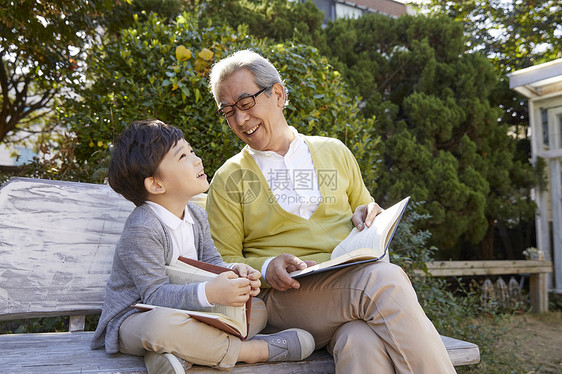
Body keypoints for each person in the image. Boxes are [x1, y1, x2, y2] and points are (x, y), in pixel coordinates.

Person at [206, 50, 456, 373]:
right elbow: (221, 264)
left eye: (245, 103)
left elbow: (369, 217)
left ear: (278, 95)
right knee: (383, 281)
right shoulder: (229, 179)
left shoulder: (335, 151)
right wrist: (267, 267)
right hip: (283, 302)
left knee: (360, 341)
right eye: (228, 112)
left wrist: (367, 217)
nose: (239, 120)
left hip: (347, 294)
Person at [90, 119, 315, 374]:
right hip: (134, 321)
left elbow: (213, 265)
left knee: (258, 309)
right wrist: (209, 294)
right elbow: (153, 296)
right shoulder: (143, 227)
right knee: (160, 326)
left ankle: (181, 354)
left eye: (192, 151)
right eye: (183, 155)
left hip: (190, 315)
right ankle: (250, 352)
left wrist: (235, 273)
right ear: (156, 184)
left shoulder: (196, 216)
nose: (197, 160)